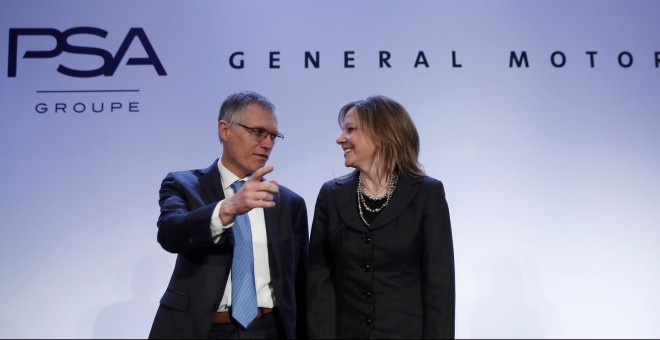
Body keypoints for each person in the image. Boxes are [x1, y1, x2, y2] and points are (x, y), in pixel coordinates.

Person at [149, 91, 309, 339]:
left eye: (273, 136)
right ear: (225, 130)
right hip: (202, 329)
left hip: (268, 330)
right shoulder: (183, 184)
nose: (267, 143)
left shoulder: (289, 203)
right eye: (258, 132)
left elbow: (299, 282)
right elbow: (171, 233)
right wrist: (229, 208)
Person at [306, 95, 455, 339]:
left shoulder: (426, 194)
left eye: (351, 129)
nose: (340, 139)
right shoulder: (330, 195)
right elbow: (319, 285)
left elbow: (440, 287)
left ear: (382, 134)